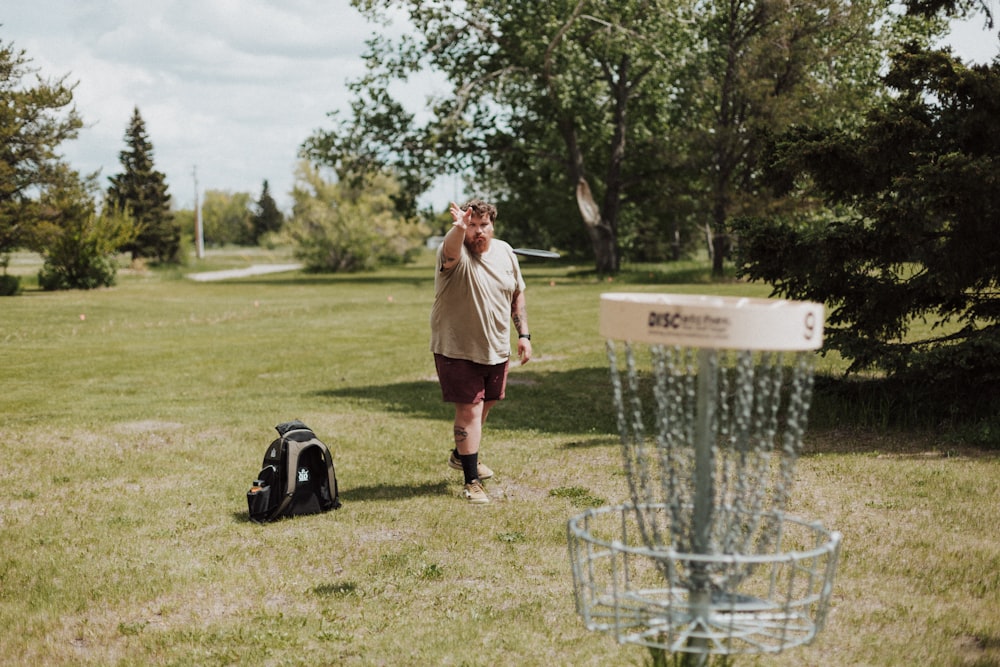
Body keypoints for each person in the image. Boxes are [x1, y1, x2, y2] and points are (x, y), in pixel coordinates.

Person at [430, 198, 532, 504]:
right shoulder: (455, 250)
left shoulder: (505, 251)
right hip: (457, 346)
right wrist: (458, 229)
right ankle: (471, 482)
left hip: (496, 346)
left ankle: (461, 456)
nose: (477, 232)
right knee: (470, 411)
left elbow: (517, 294)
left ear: (492, 224)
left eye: (482, 225)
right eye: (471, 225)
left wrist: (523, 334)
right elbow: (450, 251)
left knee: (487, 404)